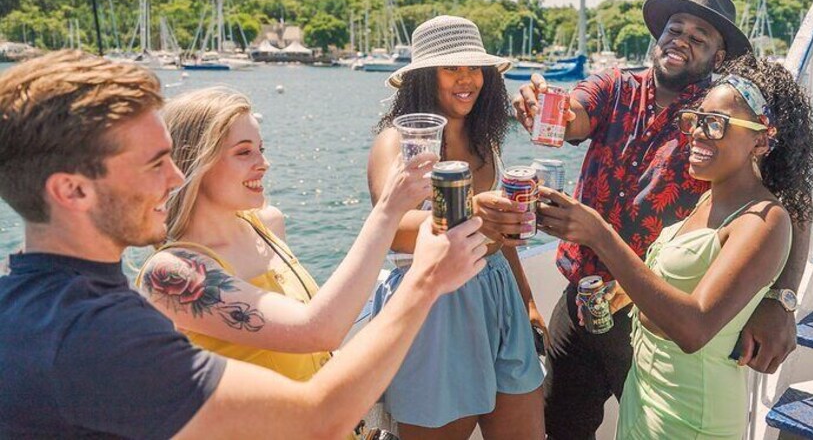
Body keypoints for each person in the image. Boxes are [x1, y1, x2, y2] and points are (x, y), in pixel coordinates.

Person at [0, 50, 489, 438]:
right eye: (154, 164)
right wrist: (425, 279)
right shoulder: (97, 332)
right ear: (72, 190)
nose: (175, 177)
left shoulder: (35, 305)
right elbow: (314, 420)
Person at [513, 0, 809, 439]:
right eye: (675, 29)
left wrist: (781, 299)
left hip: (653, 312)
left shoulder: (727, 112)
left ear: (719, 55)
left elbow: (792, 198)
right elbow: (574, 112)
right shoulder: (617, 86)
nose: (681, 40)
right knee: (561, 426)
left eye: (699, 36)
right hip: (581, 298)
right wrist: (543, 111)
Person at [137, 87, 435, 401]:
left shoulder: (267, 225)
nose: (263, 163)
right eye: (244, 151)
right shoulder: (172, 275)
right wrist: (388, 212)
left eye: (261, 149)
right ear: (195, 160)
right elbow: (318, 331)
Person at [367, 15, 545, 440]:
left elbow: (498, 234)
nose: (467, 80)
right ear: (425, 78)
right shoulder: (396, 141)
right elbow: (391, 228)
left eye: (474, 69)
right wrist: (470, 213)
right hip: (435, 303)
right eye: (452, 69)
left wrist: (527, 299)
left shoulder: (487, 138)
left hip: (498, 294)